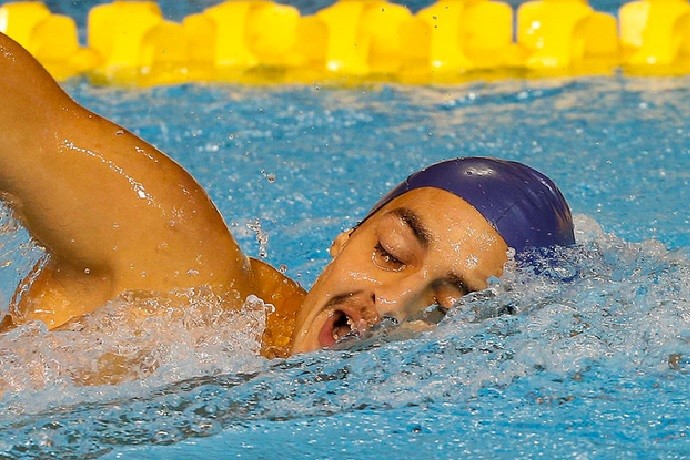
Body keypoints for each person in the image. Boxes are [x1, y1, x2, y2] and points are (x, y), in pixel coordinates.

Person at [0, 31, 575, 361]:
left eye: (446, 307)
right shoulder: (186, 282)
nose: (391, 302)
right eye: (391, 252)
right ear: (344, 237)